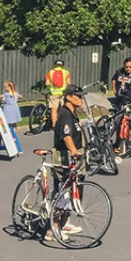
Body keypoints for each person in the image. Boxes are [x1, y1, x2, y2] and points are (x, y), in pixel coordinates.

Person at [48, 84, 85, 242]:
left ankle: (64, 222)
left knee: (75, 191)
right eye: (78, 96)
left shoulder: (72, 113)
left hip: (74, 156)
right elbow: (66, 136)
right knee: (63, 193)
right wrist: (74, 151)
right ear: (69, 97)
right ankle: (53, 229)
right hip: (65, 156)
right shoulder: (65, 114)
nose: (81, 99)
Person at [44, 59, 71, 126]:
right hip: (63, 93)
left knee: (54, 109)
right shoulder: (66, 72)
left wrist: (51, 83)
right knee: (64, 109)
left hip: (53, 93)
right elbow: (68, 83)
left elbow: (47, 83)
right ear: (63, 65)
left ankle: (54, 125)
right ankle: (65, 124)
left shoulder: (50, 72)